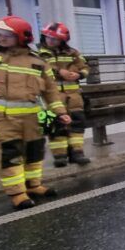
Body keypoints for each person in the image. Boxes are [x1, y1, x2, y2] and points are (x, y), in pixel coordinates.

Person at [0, 16, 71, 209]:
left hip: (32, 118)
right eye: (0, 34)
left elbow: (50, 91)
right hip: (0, 119)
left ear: (22, 36)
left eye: (8, 34)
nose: (2, 37)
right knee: (10, 155)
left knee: (34, 151)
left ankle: (34, 185)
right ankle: (17, 193)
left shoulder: (37, 62)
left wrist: (60, 112)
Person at [36, 22, 91, 167]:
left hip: (74, 97)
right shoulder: (37, 54)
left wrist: (78, 75)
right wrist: (59, 71)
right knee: (55, 126)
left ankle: (78, 153)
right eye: (48, 37)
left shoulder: (73, 53)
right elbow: (39, 68)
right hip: (51, 99)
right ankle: (60, 156)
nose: (50, 41)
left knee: (77, 125)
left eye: (54, 39)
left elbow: (85, 67)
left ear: (63, 40)